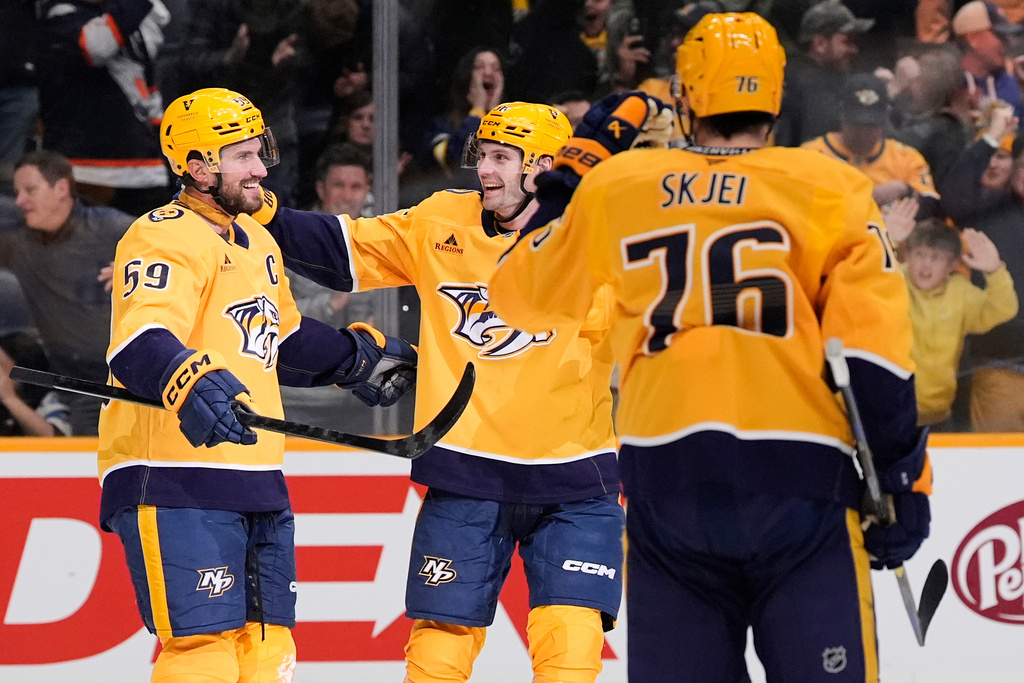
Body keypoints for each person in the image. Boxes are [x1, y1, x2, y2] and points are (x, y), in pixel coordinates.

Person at [489, 13, 932, 682]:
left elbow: (518, 292)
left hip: (669, 494)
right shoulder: (829, 187)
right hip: (799, 488)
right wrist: (903, 483)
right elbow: (874, 359)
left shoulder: (622, 186)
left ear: (688, 95)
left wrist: (576, 164)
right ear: (775, 96)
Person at [252, 102, 629, 683]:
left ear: (544, 167)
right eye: (484, 155)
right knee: (438, 653)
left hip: (574, 476)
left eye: (503, 158)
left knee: (571, 654)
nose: (485, 170)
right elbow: (344, 248)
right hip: (466, 472)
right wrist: (262, 209)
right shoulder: (441, 222)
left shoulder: (595, 235)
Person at [97, 87, 417, 683]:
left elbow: (281, 339)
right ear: (197, 166)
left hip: (259, 476)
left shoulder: (258, 240)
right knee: (203, 650)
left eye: (259, 152)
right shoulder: (159, 234)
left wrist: (351, 358)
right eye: (243, 156)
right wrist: (188, 376)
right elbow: (139, 341)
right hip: (173, 473)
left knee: (269, 651)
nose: (261, 169)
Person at [0, 150, 134, 435]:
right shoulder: (17, 243)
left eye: (30, 190)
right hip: (79, 388)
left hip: (135, 381)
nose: (20, 201)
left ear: (61, 188)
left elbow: (191, 251)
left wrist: (143, 266)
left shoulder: (113, 228)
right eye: (17, 192)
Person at [36, 0, 172, 217]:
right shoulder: (60, 17)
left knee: (149, 248)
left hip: (145, 168)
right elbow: (96, 46)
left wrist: (164, 148)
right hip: (86, 171)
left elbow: (148, 91)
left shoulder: (127, 19)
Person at [902, 219, 1017, 426]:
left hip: (937, 414)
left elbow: (1003, 309)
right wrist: (889, 240)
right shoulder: (894, 282)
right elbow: (864, 287)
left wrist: (994, 271)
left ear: (952, 264)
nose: (926, 264)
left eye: (936, 257)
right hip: (889, 411)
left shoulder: (960, 292)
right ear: (908, 256)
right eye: (919, 254)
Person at [802, 72, 941, 214]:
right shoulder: (810, 155)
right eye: (857, 125)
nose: (863, 134)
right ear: (842, 117)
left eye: (870, 126)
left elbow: (935, 210)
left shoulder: (906, 158)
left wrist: (905, 190)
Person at [774, 0, 874, 147]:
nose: (854, 50)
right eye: (847, 42)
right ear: (820, 44)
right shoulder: (803, 82)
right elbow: (837, 134)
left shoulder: (833, 74)